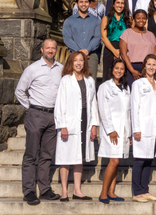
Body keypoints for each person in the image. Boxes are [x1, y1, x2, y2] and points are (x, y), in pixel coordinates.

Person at [16, 38, 63, 205]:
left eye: (53, 48)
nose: (50, 51)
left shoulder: (61, 69)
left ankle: (44, 190)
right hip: (36, 114)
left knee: (46, 155)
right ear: (42, 50)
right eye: (47, 48)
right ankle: (29, 191)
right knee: (31, 155)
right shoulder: (32, 69)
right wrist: (31, 108)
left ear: (56, 50)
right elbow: (20, 91)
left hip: (53, 117)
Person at [54, 51, 99, 202]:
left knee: (79, 156)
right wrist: (62, 126)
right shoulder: (66, 80)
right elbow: (60, 104)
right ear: (71, 63)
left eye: (81, 60)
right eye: (76, 61)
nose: (79, 63)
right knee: (66, 157)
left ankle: (78, 191)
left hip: (85, 118)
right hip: (70, 121)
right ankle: (65, 191)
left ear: (85, 62)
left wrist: (94, 125)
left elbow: (93, 103)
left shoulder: (90, 80)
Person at [128, 55, 156, 203]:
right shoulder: (138, 84)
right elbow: (134, 107)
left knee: (149, 160)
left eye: (154, 64)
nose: (151, 67)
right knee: (140, 160)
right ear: (144, 66)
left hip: (154, 128)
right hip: (142, 128)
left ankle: (145, 189)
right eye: (149, 64)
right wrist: (135, 129)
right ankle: (137, 192)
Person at [96, 59, 131, 204]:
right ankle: (103, 193)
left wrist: (128, 132)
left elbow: (128, 112)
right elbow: (103, 110)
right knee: (114, 160)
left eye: (122, 69)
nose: (119, 71)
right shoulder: (105, 87)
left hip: (123, 130)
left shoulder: (126, 88)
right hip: (112, 130)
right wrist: (111, 130)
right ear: (112, 69)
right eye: (117, 68)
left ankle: (111, 191)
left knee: (117, 161)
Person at [63, 0, 102, 79]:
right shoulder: (69, 21)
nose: (83, 4)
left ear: (89, 3)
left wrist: (87, 50)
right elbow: (67, 38)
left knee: (91, 81)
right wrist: (79, 52)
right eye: (81, 2)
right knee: (73, 80)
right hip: (74, 53)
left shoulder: (96, 20)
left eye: (86, 2)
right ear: (76, 4)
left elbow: (97, 38)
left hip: (91, 55)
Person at [119, 10, 156, 86]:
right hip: (131, 67)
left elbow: (155, 55)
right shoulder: (127, 33)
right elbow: (123, 54)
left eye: (143, 18)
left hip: (148, 68)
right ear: (134, 19)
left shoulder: (151, 35)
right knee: (132, 91)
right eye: (138, 18)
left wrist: (152, 69)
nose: (141, 20)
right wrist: (132, 70)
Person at [100, 0, 130, 82]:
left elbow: (131, 37)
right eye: (117, 2)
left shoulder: (129, 19)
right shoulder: (106, 19)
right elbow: (103, 37)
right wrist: (114, 51)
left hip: (125, 49)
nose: (120, 5)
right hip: (110, 48)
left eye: (122, 3)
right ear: (113, 4)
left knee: (123, 75)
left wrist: (122, 52)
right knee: (108, 74)